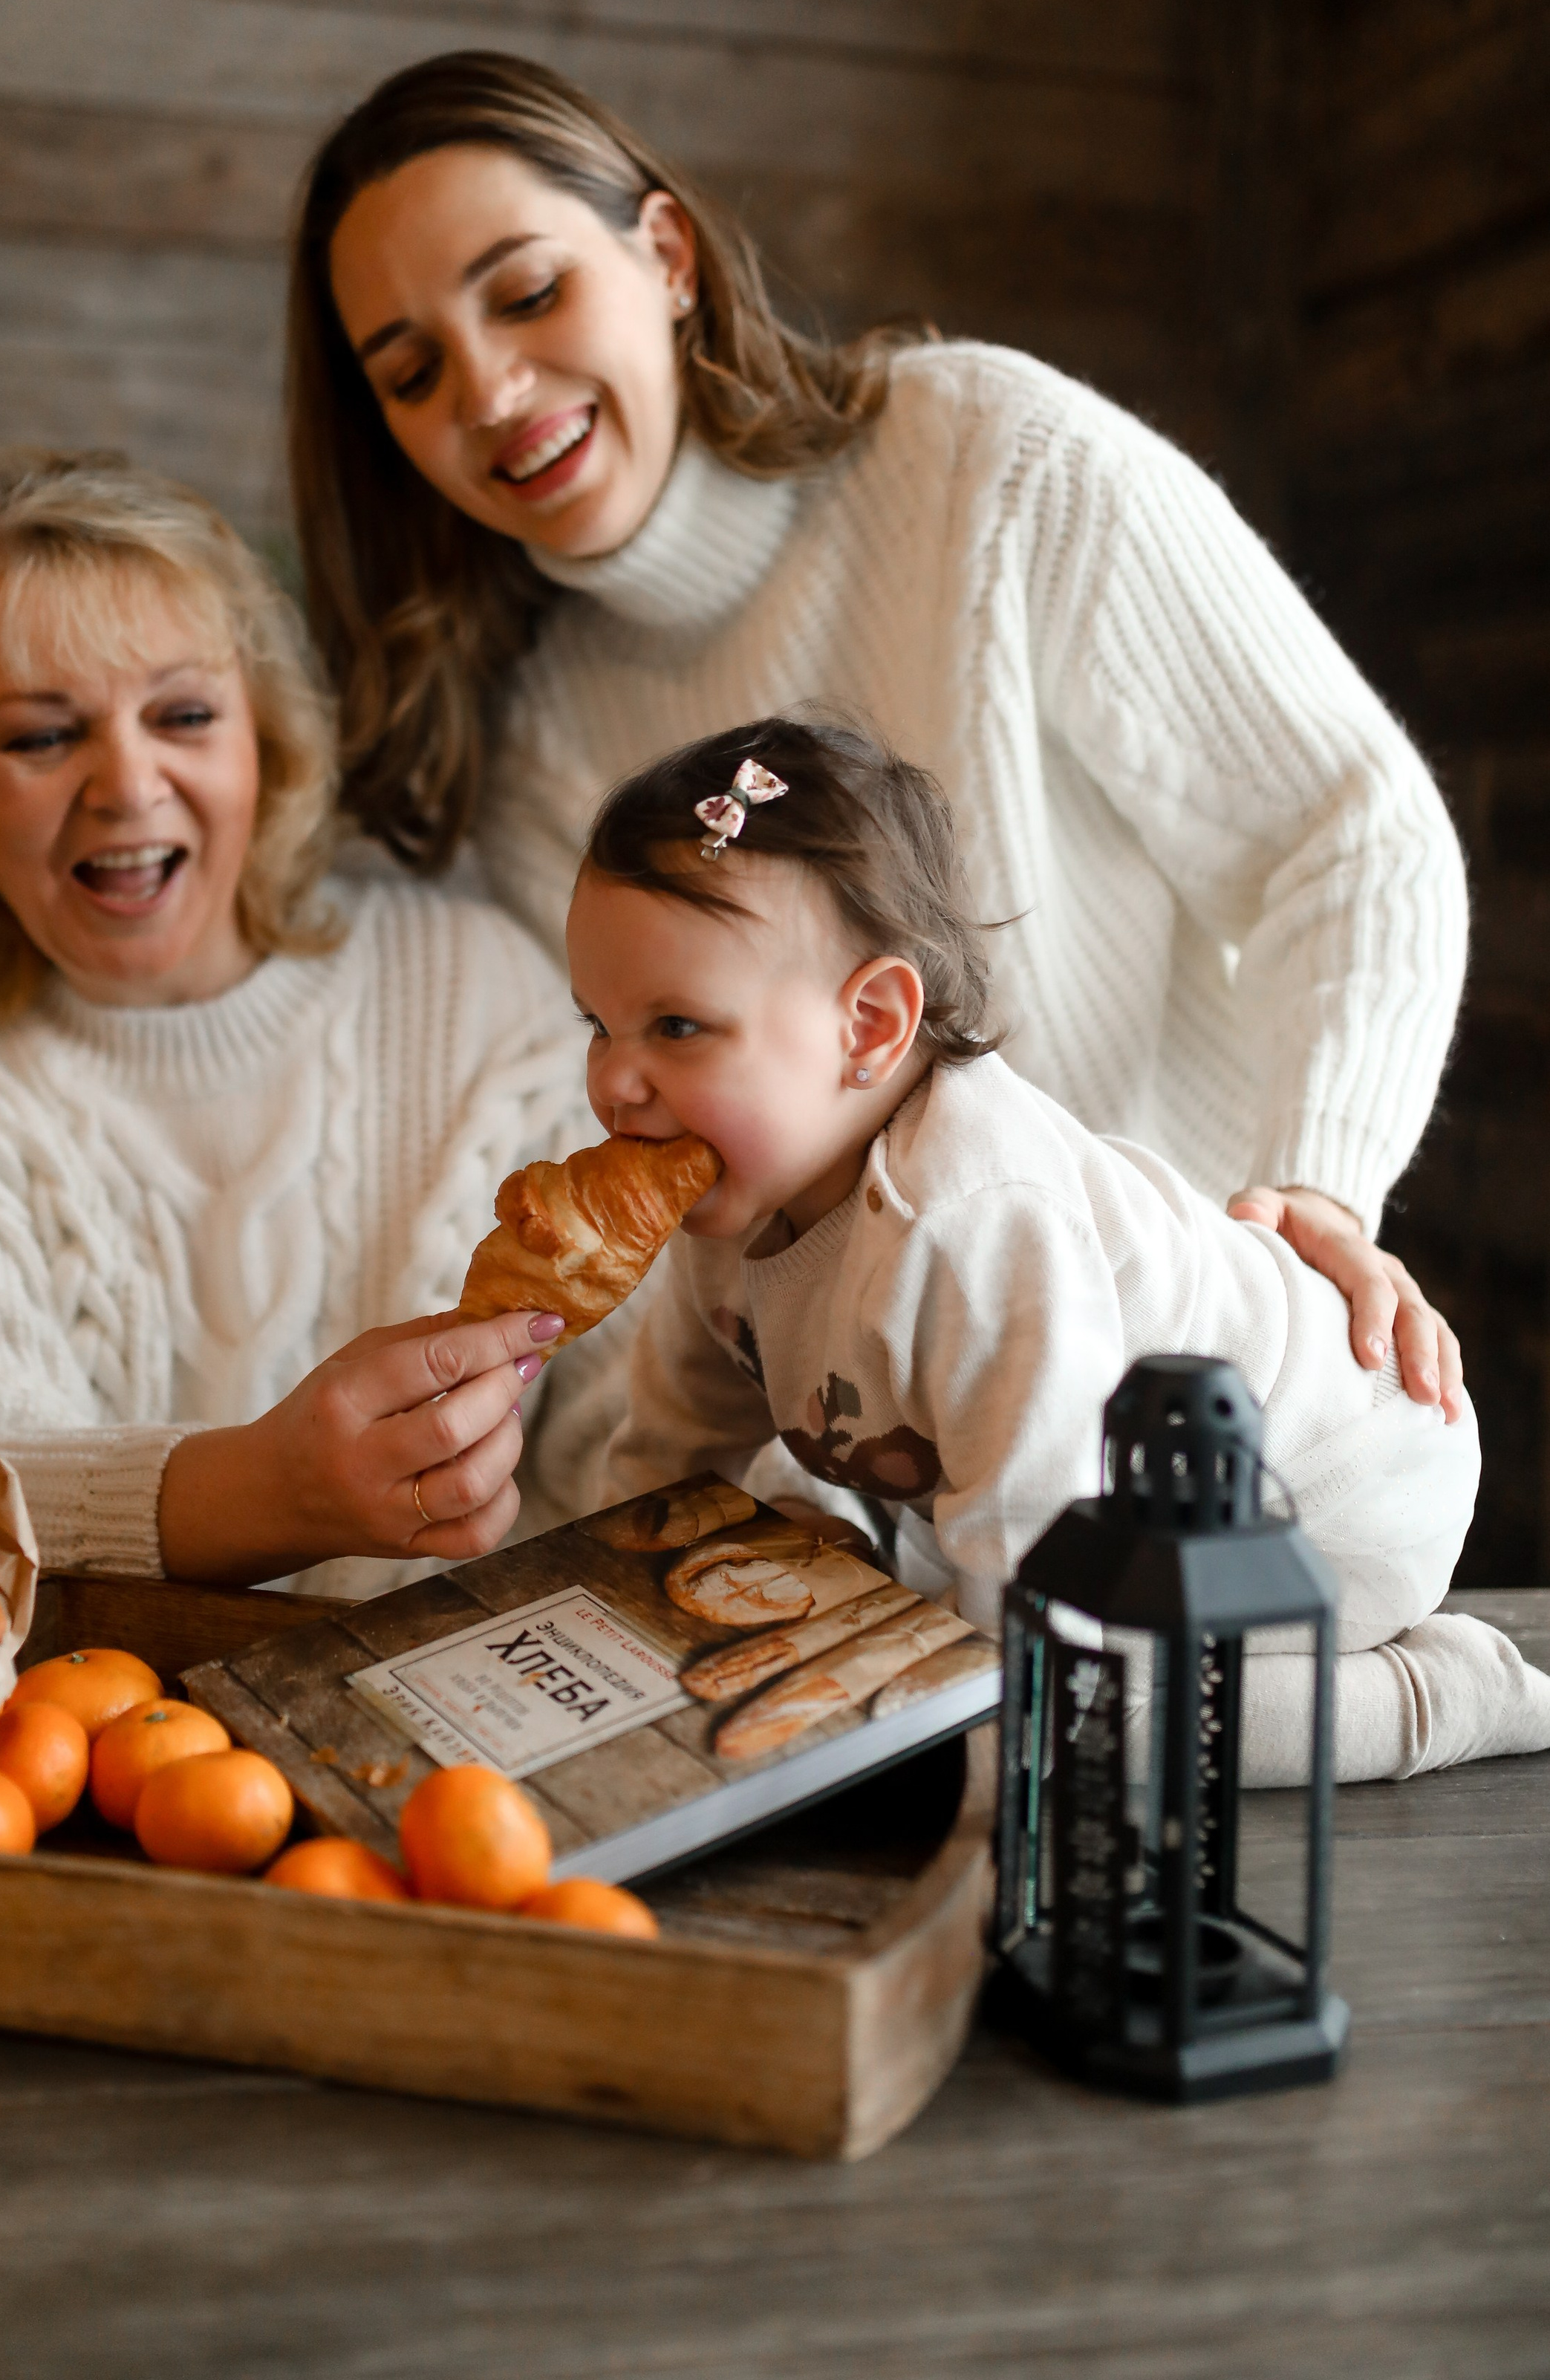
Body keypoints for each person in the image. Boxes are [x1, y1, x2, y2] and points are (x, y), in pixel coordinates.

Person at [289, 48, 1470, 1448]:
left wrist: (1315, 1191)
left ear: (666, 254)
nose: (487, 392)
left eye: (530, 293)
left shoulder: (991, 462)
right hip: (879, 1466)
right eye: (414, 372)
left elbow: (1351, 833)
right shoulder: (532, 741)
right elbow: (673, 1161)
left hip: (1198, 1376)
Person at [568, 718, 1550, 1784]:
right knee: (813, 1537)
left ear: (869, 1027)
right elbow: (671, 1466)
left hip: (1320, 1477)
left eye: (675, 1029)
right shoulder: (724, 1199)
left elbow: (1036, 1583)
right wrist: (617, 1627)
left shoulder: (971, 1222)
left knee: (1093, 1722)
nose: (615, 1084)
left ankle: (1442, 1693)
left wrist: (979, 1787)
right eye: (597, 1025)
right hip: (1065, 1486)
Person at [0, 448, 607, 1596]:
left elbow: (641, 1421)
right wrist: (278, 1490)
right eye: (41, 736)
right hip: (109, 1740)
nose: (128, 786)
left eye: (183, 714)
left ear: (264, 743)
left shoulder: (478, 991)